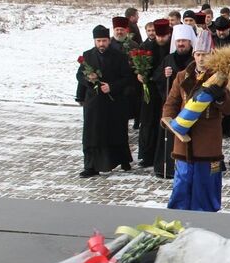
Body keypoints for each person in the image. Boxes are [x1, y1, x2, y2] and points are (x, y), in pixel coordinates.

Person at [161, 31, 230, 212]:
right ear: (193, 55)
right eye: (198, 54)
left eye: (205, 55)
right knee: (182, 182)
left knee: (205, 184)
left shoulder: (220, 78)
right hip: (183, 138)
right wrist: (167, 120)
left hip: (208, 140)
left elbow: (229, 110)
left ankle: (206, 217)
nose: (201, 59)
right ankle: (178, 216)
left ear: (212, 55)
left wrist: (219, 96)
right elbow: (172, 102)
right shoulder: (182, 76)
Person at [76, 25, 135, 177]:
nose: (101, 44)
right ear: (94, 41)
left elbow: (128, 78)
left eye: (104, 40)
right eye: (98, 41)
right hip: (94, 103)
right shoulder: (87, 56)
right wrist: (88, 81)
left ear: (109, 40)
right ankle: (91, 166)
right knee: (92, 134)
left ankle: (121, 159)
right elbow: (79, 76)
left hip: (114, 102)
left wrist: (112, 87)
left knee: (115, 132)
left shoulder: (119, 56)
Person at [152, 23, 196, 178]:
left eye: (184, 41)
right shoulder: (168, 59)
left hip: (190, 106)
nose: (181, 44)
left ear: (191, 42)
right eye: (178, 41)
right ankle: (166, 168)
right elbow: (156, 80)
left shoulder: (195, 59)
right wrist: (164, 75)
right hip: (172, 105)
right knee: (169, 136)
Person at [134, 19, 172, 167]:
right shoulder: (146, 47)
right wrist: (139, 74)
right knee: (148, 122)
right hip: (150, 91)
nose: (161, 39)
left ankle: (164, 153)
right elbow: (139, 68)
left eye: (164, 36)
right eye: (158, 36)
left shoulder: (172, 48)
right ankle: (147, 155)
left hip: (167, 91)